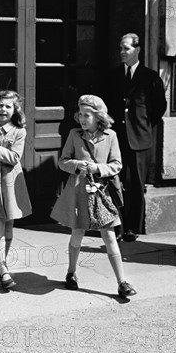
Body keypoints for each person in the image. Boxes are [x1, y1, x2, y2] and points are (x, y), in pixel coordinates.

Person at [51, 94, 136, 299]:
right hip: (79, 190)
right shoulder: (74, 134)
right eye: (80, 114)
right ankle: (71, 273)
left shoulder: (111, 136)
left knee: (109, 235)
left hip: (102, 192)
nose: (82, 119)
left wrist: (98, 168)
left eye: (87, 115)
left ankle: (121, 282)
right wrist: (77, 165)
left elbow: (117, 164)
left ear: (98, 117)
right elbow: (62, 161)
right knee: (77, 232)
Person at [106, 33, 167, 242]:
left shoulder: (150, 77)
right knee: (116, 181)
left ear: (138, 49)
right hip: (116, 139)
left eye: (127, 49)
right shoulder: (112, 76)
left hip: (140, 138)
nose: (122, 53)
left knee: (135, 183)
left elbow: (159, 107)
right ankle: (117, 226)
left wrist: (143, 125)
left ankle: (133, 227)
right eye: (121, 49)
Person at [0, 90, 32, 290]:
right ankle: (3, 269)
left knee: (9, 224)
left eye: (8, 106)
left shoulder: (19, 131)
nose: (3, 109)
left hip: (10, 183)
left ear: (15, 110)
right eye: (0, 105)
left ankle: (2, 262)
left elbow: (14, 157)